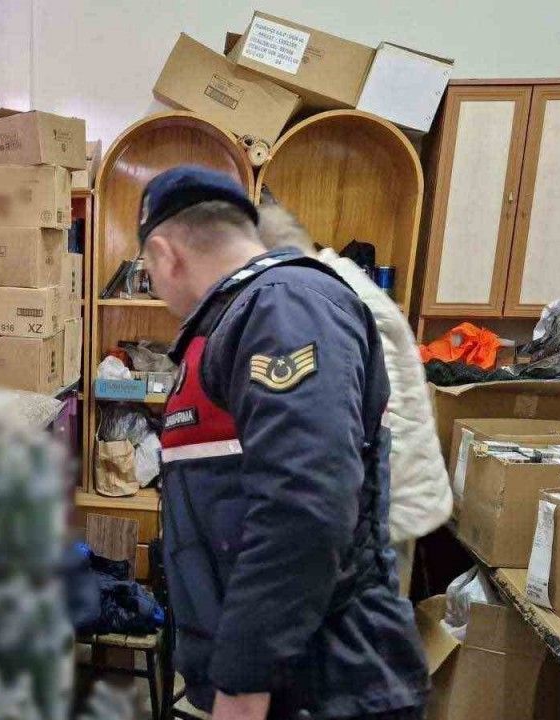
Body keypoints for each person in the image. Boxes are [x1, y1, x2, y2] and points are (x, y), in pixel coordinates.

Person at [139, 166, 429, 720]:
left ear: (164, 253)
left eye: (148, 270)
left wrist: (243, 684)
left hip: (324, 685)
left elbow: (305, 503)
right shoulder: (241, 319)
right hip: (289, 682)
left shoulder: (285, 306)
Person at [253, 198, 453, 597]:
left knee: (369, 613)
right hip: (387, 495)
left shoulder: (338, 299)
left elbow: (359, 421)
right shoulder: (338, 281)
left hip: (389, 505)